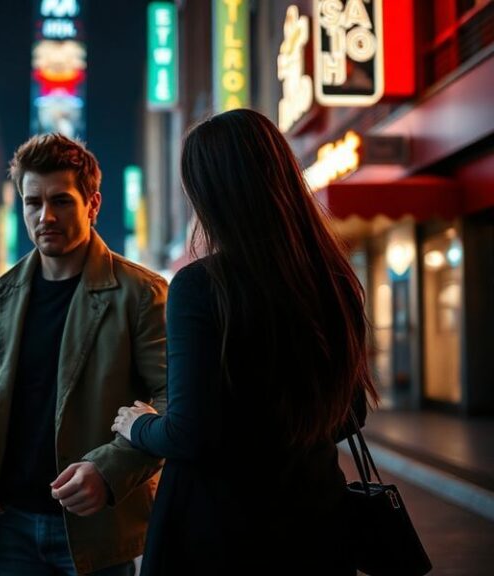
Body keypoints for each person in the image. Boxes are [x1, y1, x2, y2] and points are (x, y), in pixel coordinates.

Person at [112, 109, 378, 575]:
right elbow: (351, 413)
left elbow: (188, 433)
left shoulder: (200, 286)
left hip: (222, 533)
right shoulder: (333, 279)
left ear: (210, 195)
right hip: (317, 526)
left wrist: (138, 425)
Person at [0, 133, 168, 576]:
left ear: (93, 204)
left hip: (97, 524)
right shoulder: (2, 294)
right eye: (33, 202)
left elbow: (175, 402)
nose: (45, 216)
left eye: (61, 201)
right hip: (10, 523)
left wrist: (109, 470)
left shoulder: (140, 293)